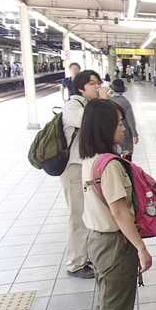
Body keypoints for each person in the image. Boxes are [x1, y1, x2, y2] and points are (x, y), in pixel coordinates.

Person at [79, 98, 152, 310]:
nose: (123, 127)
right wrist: (141, 248)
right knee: (116, 307)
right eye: (119, 123)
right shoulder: (109, 166)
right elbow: (120, 213)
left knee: (107, 303)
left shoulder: (90, 159)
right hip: (114, 244)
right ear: (104, 126)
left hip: (97, 240)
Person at [61, 70, 110, 279]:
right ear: (81, 88)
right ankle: (76, 263)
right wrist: (105, 101)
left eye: (98, 83)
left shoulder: (89, 106)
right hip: (73, 169)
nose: (97, 87)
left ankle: (87, 256)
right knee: (78, 216)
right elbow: (94, 123)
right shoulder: (73, 106)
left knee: (89, 213)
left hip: (86, 167)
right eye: (92, 84)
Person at [109, 79, 139, 161]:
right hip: (125, 134)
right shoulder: (125, 102)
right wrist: (135, 134)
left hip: (110, 134)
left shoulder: (107, 101)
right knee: (126, 157)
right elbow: (130, 120)